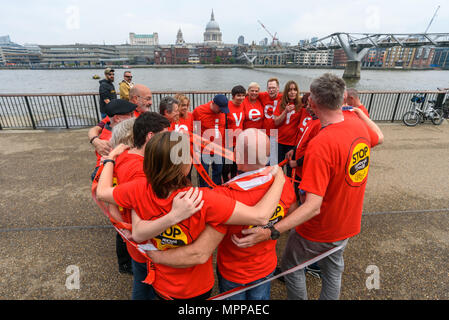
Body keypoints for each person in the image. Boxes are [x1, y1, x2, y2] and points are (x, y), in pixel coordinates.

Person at [232, 73, 384, 300]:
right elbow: (379, 137)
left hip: (319, 228)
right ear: (342, 98)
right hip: (348, 222)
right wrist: (360, 113)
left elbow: (313, 206)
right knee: (333, 269)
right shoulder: (357, 124)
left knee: (292, 266)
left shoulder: (322, 144)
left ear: (312, 102)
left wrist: (272, 231)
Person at [96, 130, 286, 300]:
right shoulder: (203, 200)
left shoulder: (137, 189)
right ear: (185, 165)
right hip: (196, 287)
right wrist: (279, 177)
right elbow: (260, 216)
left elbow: (102, 192)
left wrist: (110, 158)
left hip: (161, 283)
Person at [146, 128, 297, 300]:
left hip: (233, 272)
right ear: (268, 154)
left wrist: (155, 254)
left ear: (237, 155)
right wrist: (271, 230)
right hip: (265, 266)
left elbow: (201, 246)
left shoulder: (222, 195)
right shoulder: (283, 182)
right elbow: (291, 214)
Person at [88, 84, 152, 157]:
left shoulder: (141, 112)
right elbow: (96, 128)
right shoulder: (121, 114)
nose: (151, 102)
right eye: (148, 99)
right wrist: (95, 141)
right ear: (135, 99)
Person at [90, 99, 137, 181]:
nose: (135, 117)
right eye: (131, 114)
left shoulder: (110, 124)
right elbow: (101, 169)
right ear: (117, 118)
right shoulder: (108, 140)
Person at [192, 94, 229, 187]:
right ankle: (205, 191)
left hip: (219, 148)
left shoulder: (223, 112)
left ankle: (216, 189)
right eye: (220, 109)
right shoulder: (199, 111)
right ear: (214, 104)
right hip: (204, 149)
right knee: (203, 173)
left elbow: (223, 129)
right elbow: (193, 128)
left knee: (218, 171)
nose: (222, 111)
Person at [273, 80, 302, 178]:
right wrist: (285, 111)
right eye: (290, 90)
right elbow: (276, 122)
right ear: (286, 92)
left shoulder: (300, 105)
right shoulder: (281, 104)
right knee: (277, 167)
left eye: (294, 90)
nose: (292, 92)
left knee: (290, 171)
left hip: (292, 144)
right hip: (280, 141)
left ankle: (289, 189)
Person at [222, 85, 246, 183]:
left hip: (239, 140)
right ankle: (225, 182)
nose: (241, 98)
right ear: (233, 96)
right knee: (227, 165)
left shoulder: (243, 105)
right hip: (228, 140)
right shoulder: (227, 106)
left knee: (236, 165)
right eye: (238, 95)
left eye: (243, 95)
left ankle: (233, 182)